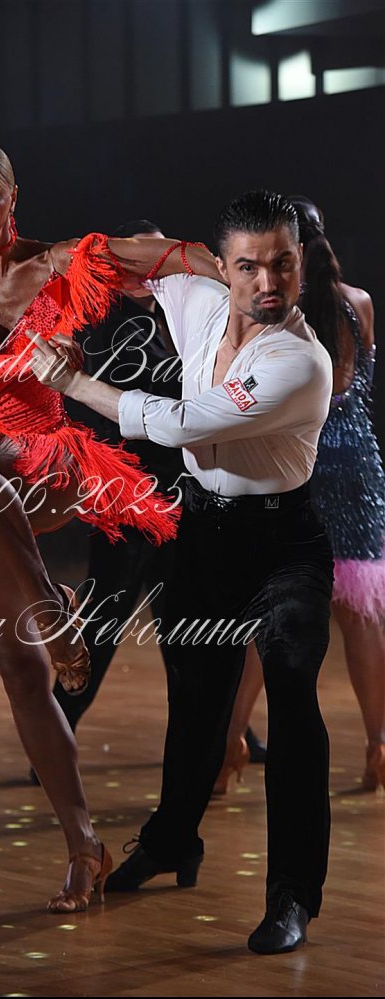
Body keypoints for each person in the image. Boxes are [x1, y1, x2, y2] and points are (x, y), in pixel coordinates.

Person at [0, 140, 217, 912]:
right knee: (21, 675)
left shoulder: (58, 260)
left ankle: (52, 608)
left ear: (13, 193)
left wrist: (220, 266)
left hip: (49, 454)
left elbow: (149, 253)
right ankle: (83, 845)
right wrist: (36, 360)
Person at [29, 190, 334, 953]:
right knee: (194, 700)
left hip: (284, 543)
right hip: (203, 532)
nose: (268, 281)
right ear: (221, 267)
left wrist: (71, 383)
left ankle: (292, 895)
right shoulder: (198, 298)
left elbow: (181, 422)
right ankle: (172, 842)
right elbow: (137, 261)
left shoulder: (301, 361)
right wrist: (50, 260)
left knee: (293, 696)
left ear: (300, 263)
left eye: (283, 264)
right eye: (249, 266)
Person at [219, 196, 385, 792]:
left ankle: (228, 746)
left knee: (272, 614)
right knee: (362, 619)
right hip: (358, 468)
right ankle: (379, 745)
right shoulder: (358, 302)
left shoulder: (278, 312)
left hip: (303, 464)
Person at [48, 218, 184, 749]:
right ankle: (54, 735)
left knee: (190, 627)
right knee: (102, 624)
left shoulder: (182, 317)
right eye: (139, 259)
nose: (151, 270)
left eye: (159, 259)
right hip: (123, 495)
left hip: (182, 494)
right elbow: (95, 406)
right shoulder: (103, 322)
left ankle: (230, 735)